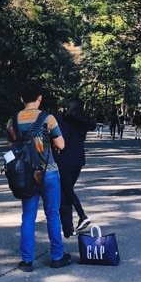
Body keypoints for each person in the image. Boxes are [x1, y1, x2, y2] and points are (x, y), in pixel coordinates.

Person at [8, 82, 71, 271]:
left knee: (28, 217)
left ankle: (27, 261)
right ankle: (57, 257)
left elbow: (12, 146)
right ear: (39, 98)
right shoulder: (48, 119)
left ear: (21, 99)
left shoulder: (13, 120)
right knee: (52, 214)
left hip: (26, 174)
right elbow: (61, 145)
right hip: (48, 172)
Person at [56, 98, 94, 238]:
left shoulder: (65, 122)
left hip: (66, 160)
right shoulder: (82, 122)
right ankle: (68, 228)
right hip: (79, 160)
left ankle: (82, 215)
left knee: (66, 191)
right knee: (66, 193)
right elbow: (92, 124)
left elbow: (62, 142)